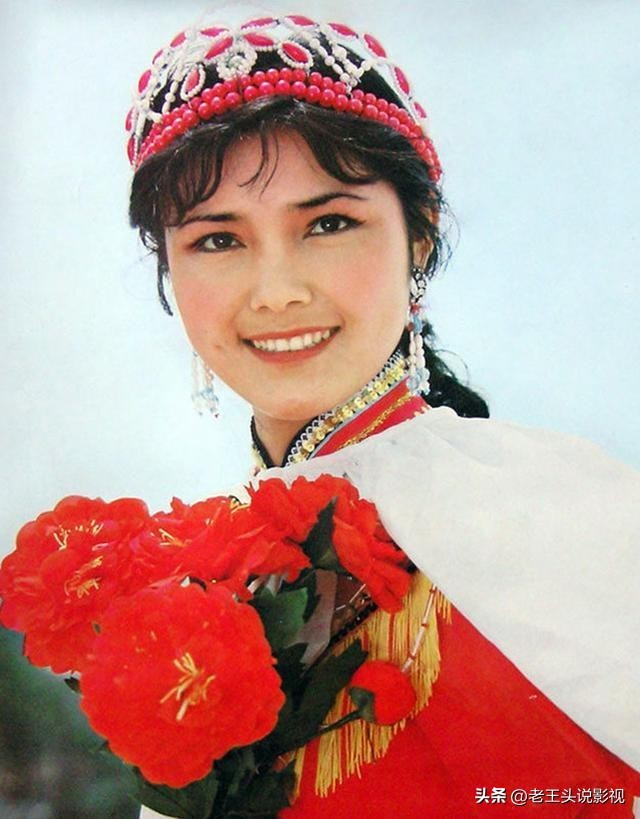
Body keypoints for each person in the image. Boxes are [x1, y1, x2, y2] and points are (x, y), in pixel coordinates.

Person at [126, 13, 640, 818]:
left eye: (328, 224)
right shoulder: (193, 580)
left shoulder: (560, 508)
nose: (276, 292)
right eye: (217, 241)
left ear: (420, 239)